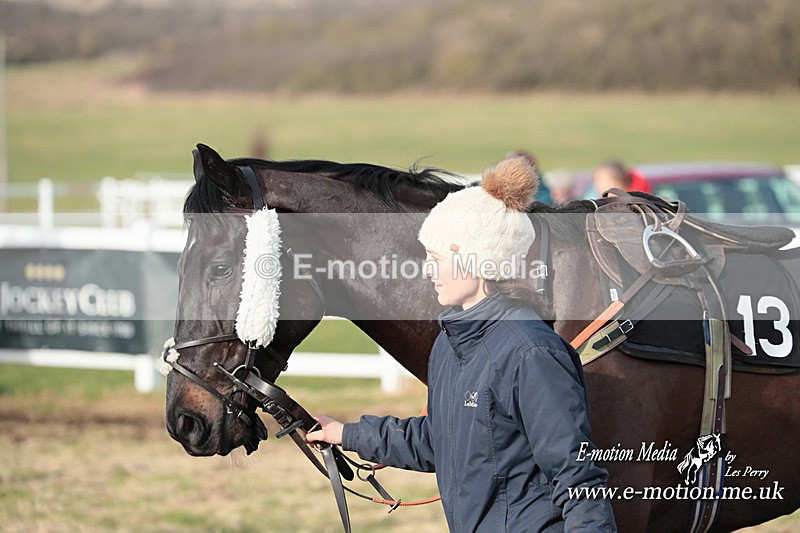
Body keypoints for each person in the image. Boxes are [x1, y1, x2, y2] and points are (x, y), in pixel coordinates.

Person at [307, 156, 617, 532]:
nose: (428, 270)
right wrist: (348, 434)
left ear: (478, 262)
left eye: (436, 258)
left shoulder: (532, 353)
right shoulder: (449, 345)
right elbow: (441, 440)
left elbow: (577, 476)